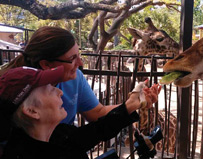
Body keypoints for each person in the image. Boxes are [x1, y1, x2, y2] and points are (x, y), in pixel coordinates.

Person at [0, 66, 161, 159]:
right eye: (49, 90)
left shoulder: (58, 135)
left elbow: (98, 129)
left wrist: (131, 104)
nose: (60, 92)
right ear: (32, 111)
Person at [0, 26, 125, 125]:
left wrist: (133, 104)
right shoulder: (16, 89)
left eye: (79, 55)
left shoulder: (75, 78)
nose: (80, 63)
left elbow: (97, 113)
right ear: (46, 64)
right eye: (72, 58)